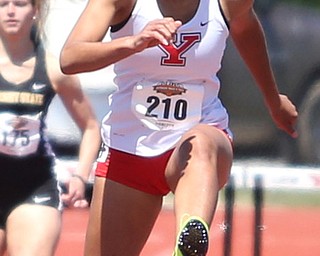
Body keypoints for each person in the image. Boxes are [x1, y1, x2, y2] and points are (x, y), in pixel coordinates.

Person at [60, 0, 298, 255]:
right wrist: (133, 42)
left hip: (200, 133)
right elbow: (70, 57)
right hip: (129, 147)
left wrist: (273, 100)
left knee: (201, 143)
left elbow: (245, 27)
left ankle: (190, 242)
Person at [0, 0, 100, 255]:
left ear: (35, 10)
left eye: (20, 4)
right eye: (2, 5)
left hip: (34, 186)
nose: (11, 11)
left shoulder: (54, 69)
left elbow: (90, 127)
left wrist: (80, 175)